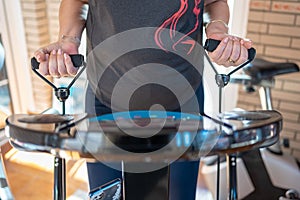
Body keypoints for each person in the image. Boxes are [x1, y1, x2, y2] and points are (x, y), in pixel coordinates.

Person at [34, 0, 252, 199]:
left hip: (183, 103)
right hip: (106, 102)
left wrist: (217, 29)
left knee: (180, 195)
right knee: (107, 194)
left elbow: (216, 2)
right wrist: (69, 39)